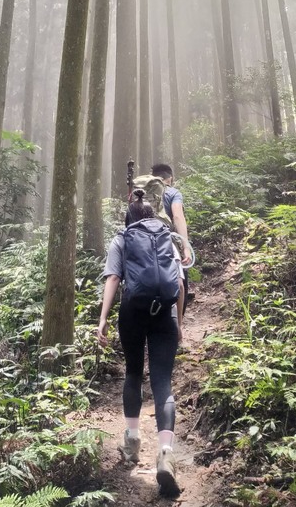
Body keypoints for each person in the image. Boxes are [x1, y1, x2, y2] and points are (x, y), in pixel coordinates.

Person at [97, 190, 183, 497]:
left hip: (132, 313)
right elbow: (180, 283)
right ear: (152, 215)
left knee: (133, 373)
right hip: (166, 314)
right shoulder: (166, 238)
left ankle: (132, 444)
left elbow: (112, 279)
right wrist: (179, 322)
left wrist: (103, 318)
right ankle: (166, 454)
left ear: (128, 218)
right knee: (163, 382)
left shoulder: (122, 239)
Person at [152, 163, 193, 307]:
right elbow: (177, 217)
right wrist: (185, 247)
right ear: (170, 178)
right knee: (181, 281)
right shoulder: (173, 193)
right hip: (165, 241)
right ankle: (179, 325)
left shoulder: (142, 192)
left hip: (139, 240)